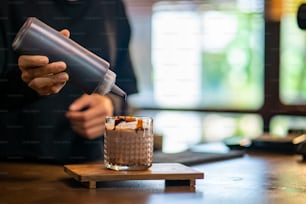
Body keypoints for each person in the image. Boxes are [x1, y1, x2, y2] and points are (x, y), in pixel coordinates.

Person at [0, 0, 138, 163]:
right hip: (17, 167)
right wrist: (24, 82)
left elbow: (123, 88)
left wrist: (109, 106)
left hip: (91, 166)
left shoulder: (112, 5)